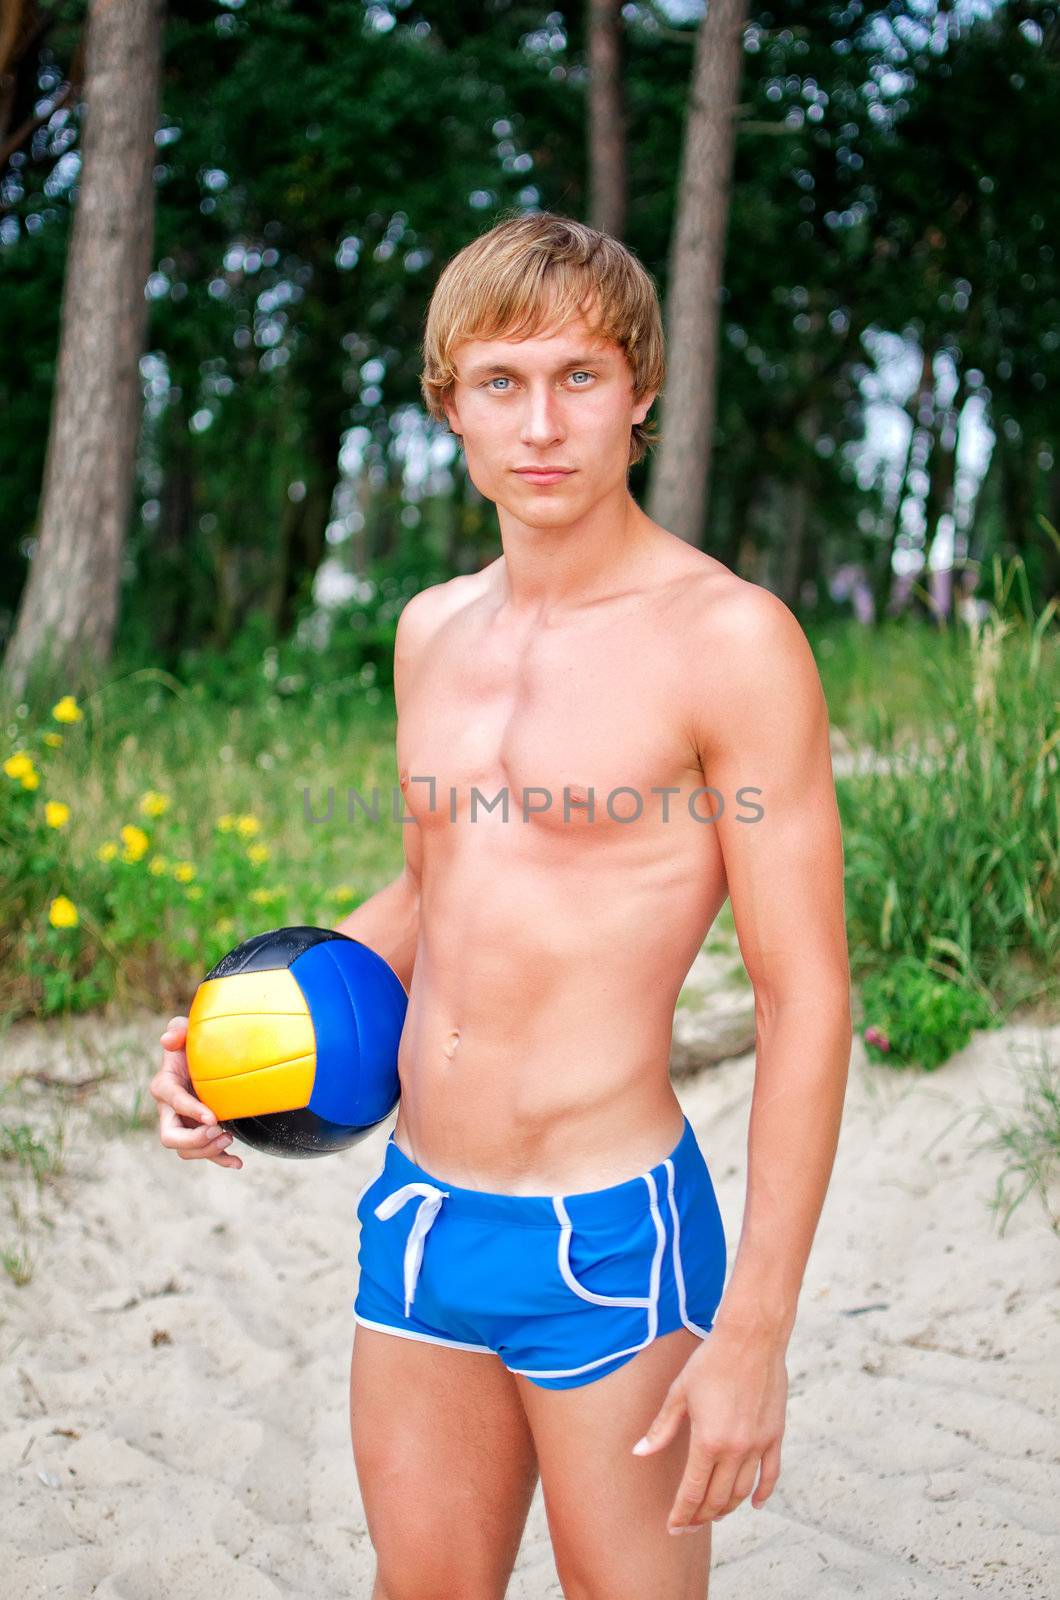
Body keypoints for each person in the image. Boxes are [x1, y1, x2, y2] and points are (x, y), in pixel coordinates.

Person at [151, 211, 851, 1600]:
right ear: (448, 406)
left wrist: (759, 1325)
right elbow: (435, 879)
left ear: (641, 393)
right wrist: (229, 1036)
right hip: (417, 1216)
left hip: (609, 1241)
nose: (542, 425)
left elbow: (805, 995)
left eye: (580, 378)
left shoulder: (729, 642)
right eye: (500, 383)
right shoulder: (434, 630)